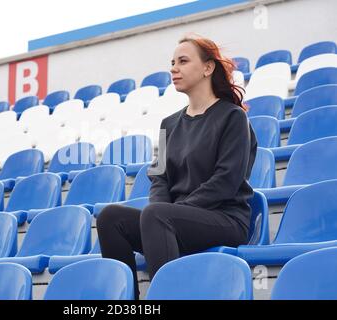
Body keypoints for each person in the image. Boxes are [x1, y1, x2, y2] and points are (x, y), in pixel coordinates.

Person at [96, 34, 257, 300]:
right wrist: (164, 211)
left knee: (157, 216)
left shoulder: (233, 117)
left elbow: (226, 181)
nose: (174, 68)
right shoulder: (167, 124)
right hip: (171, 219)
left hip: (223, 218)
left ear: (208, 68)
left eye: (183, 61)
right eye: (172, 62)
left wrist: (171, 211)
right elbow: (159, 177)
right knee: (110, 218)